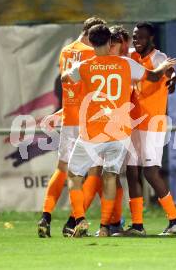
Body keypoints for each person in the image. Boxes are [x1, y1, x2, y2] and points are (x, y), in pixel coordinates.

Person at [62, 24, 176, 237]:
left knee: (74, 175)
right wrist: (165, 68)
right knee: (111, 176)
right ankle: (106, 227)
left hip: (93, 131)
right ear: (109, 42)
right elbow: (153, 76)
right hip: (120, 132)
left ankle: (79, 219)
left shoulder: (85, 66)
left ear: (90, 42)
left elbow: (65, 78)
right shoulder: (126, 63)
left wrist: (71, 73)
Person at [37, 16, 107, 238]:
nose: (99, 43)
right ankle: (73, 221)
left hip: (69, 117)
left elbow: (67, 84)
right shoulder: (91, 54)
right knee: (94, 172)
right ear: (89, 34)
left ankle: (45, 217)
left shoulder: (65, 51)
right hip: (88, 119)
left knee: (63, 169)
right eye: (96, 38)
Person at [123, 22, 176, 236]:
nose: (136, 41)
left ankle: (175, 220)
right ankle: (137, 225)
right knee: (131, 171)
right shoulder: (131, 55)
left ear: (151, 39)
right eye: (134, 36)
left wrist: (173, 80)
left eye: (140, 37)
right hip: (133, 121)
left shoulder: (159, 58)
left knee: (150, 171)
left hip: (153, 123)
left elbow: (172, 74)